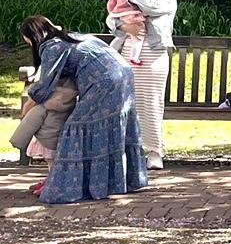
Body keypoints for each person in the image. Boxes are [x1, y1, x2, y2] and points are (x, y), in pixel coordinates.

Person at [19, 15, 147, 204]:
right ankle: (114, 181)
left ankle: (68, 184)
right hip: (123, 75)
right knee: (108, 127)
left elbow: (45, 85)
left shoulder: (52, 46)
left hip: (104, 82)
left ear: (34, 37)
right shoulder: (73, 37)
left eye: (29, 43)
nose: (31, 47)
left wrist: (27, 105)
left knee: (75, 129)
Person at [107, 0, 177, 170]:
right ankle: (130, 150)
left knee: (152, 103)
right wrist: (125, 27)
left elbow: (151, 8)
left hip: (154, 56)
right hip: (128, 55)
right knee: (127, 103)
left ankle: (155, 151)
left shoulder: (168, 0)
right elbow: (112, 19)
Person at [107, 0, 146, 65]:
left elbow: (110, 4)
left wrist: (112, 12)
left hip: (120, 16)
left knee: (120, 37)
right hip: (133, 16)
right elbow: (145, 7)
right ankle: (134, 57)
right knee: (138, 38)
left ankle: (110, 52)